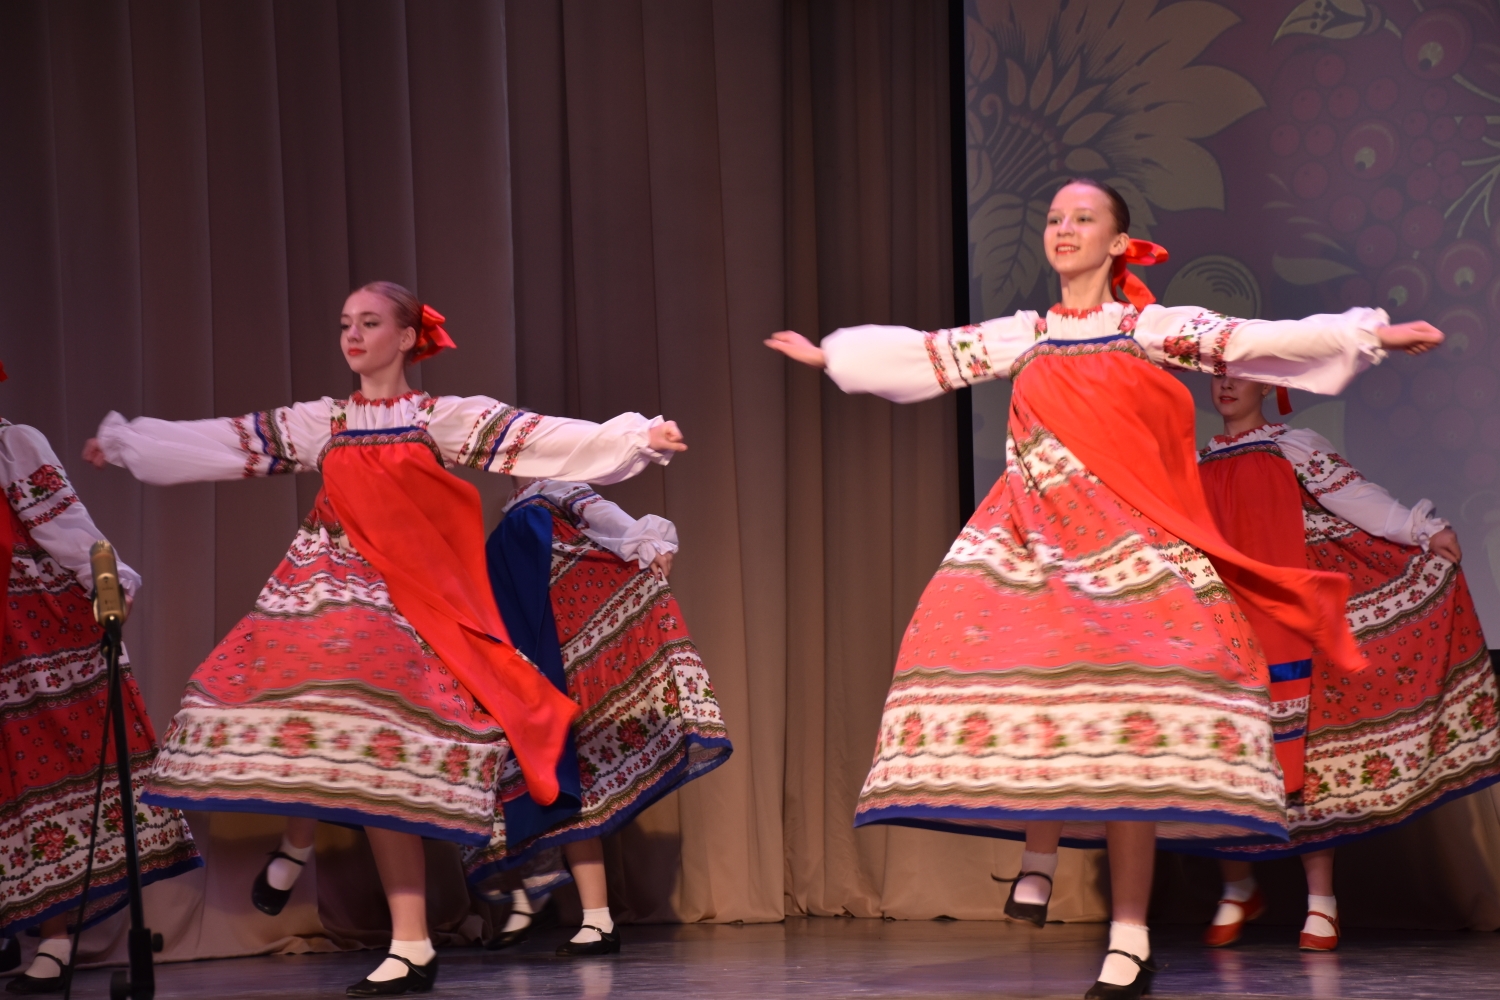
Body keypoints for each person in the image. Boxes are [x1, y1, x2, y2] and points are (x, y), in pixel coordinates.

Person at [764, 178, 1442, 1000]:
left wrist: (1370, 335)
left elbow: (1251, 338)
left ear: (1119, 243)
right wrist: (832, 356)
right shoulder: (1028, 335)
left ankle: (1128, 937)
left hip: (1130, 547)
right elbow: (939, 352)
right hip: (1037, 540)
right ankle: (1039, 856)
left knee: (1134, 734)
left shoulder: (1147, 328)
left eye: (1083, 219)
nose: (1064, 229)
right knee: (1002, 662)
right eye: (1054, 218)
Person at [81, 283, 687, 997]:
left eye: (369, 322)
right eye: (346, 323)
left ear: (405, 338)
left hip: (410, 603)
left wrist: (633, 438)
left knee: (383, 761)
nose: (353, 334)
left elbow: (533, 435)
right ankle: (353, 894)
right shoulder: (324, 422)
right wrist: (130, 444)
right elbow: (230, 439)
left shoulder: (439, 419)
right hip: (331, 594)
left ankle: (405, 938)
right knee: (323, 726)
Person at [1192, 374, 1500, 950]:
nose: (1227, 385)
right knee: (1225, 751)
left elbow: (1355, 497)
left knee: (1309, 754)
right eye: (1219, 375)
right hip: (1224, 617)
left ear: (1268, 385)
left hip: (1288, 616)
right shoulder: (1196, 462)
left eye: (1243, 375)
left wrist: (1421, 528)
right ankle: (1238, 886)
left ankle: (1322, 902)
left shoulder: (1290, 446)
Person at [0, 360, 201, 994]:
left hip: (28, 630)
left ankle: (55, 939)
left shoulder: (12, 444)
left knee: (41, 771)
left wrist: (108, 583)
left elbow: (65, 527)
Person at [471, 479, 731, 956]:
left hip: (558, 657)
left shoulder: (555, 491)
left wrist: (646, 541)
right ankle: (532, 892)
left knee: (568, 776)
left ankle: (595, 918)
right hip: (524, 659)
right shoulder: (513, 515)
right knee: (520, 770)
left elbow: (604, 517)